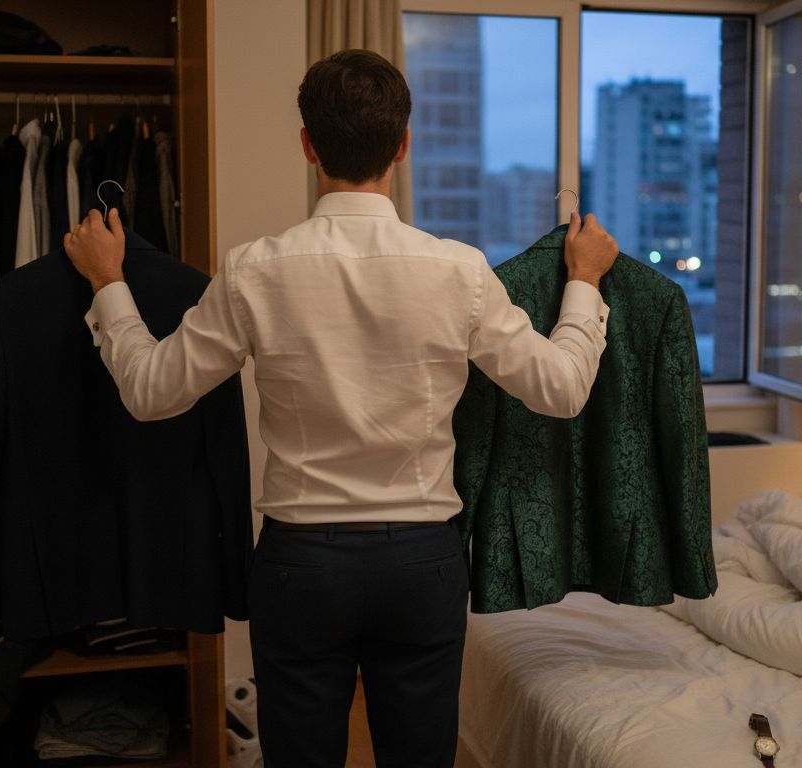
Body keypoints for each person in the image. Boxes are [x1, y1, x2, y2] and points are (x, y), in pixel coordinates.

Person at [65, 49, 617, 768]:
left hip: (301, 566)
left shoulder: (255, 269)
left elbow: (149, 392)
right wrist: (584, 281)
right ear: (403, 145)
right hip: (421, 563)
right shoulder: (459, 270)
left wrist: (108, 283)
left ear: (308, 145)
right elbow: (563, 389)